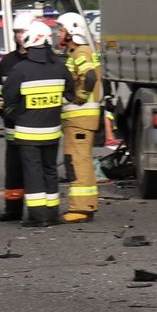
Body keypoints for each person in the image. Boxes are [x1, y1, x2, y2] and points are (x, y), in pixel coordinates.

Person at [3, 20, 74, 227]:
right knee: (50, 171)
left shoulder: (20, 69)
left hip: (27, 132)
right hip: (52, 131)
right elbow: (70, 95)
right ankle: (52, 213)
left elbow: (9, 100)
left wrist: (21, 113)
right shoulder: (60, 67)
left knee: (33, 173)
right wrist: (51, 108)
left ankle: (38, 216)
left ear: (29, 41)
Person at [56, 12, 103, 223]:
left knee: (78, 161)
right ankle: (86, 205)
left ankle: (81, 208)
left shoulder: (80, 52)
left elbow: (90, 76)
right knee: (80, 160)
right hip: (80, 120)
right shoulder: (78, 51)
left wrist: (79, 98)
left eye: (61, 29)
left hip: (80, 119)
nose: (58, 33)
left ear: (72, 31)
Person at [0, 10, 35, 222]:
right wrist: (3, 109)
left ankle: (38, 211)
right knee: (14, 170)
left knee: (35, 170)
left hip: (36, 127)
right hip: (13, 128)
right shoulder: (7, 62)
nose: (19, 36)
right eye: (16, 32)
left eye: (22, 31)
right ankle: (13, 209)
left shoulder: (44, 61)